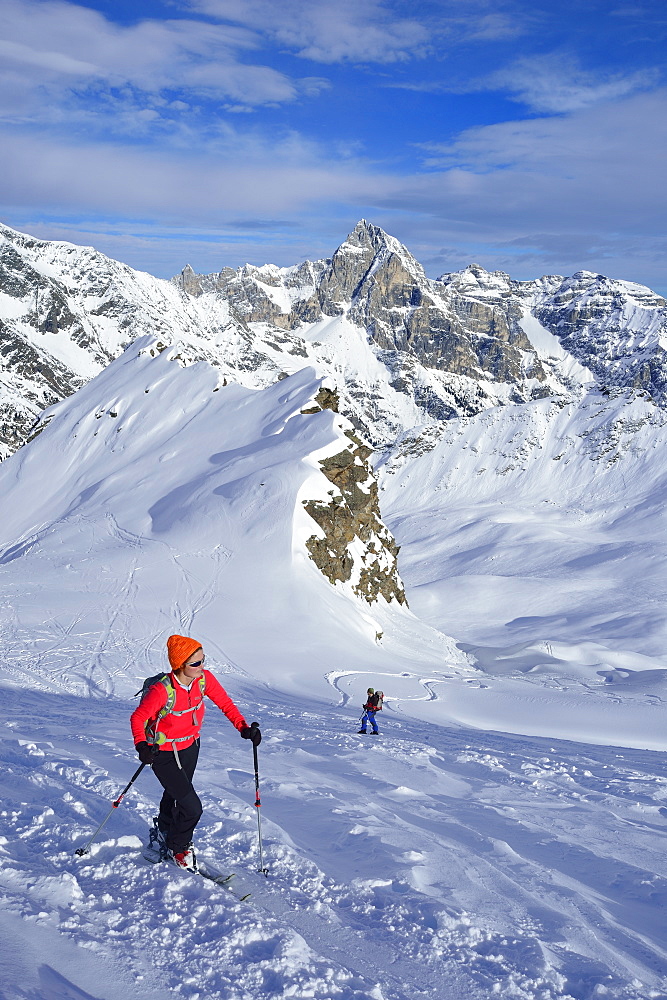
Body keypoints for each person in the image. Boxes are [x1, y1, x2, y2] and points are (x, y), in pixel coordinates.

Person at [131, 634, 261, 872]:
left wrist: (243, 727)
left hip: (190, 746)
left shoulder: (203, 679)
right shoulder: (161, 691)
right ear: (180, 665)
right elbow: (138, 717)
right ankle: (177, 847)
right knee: (192, 807)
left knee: (176, 794)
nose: (202, 667)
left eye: (203, 661)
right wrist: (142, 746)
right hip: (163, 752)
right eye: (196, 663)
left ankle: (164, 830)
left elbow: (225, 703)